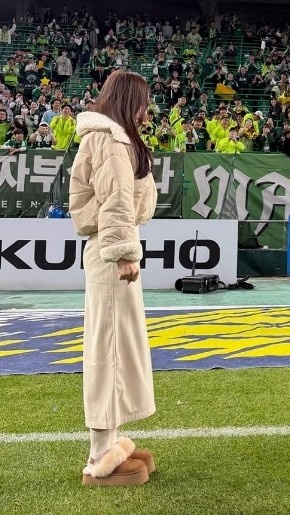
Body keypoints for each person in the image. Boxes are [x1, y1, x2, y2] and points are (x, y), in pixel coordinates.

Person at [69, 70, 158, 486]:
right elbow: (115, 197)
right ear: (128, 101)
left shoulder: (112, 136)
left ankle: (112, 440)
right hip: (111, 250)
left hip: (113, 244)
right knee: (107, 346)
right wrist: (122, 252)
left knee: (119, 344)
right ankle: (100, 453)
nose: (145, 112)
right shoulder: (108, 138)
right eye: (142, 103)